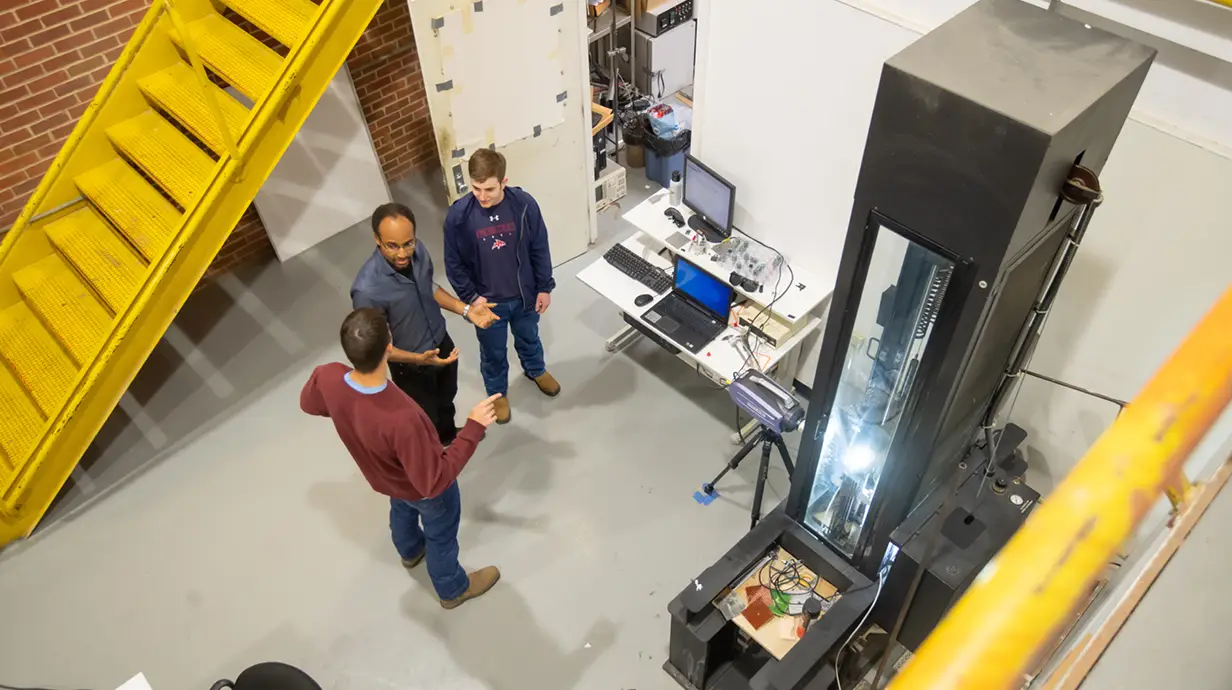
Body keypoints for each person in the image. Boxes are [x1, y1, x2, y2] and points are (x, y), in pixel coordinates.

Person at [300, 307, 502, 609]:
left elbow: (309, 403)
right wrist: (472, 428)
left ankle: (409, 551)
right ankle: (453, 588)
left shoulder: (329, 376)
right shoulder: (402, 419)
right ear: (389, 347)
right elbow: (433, 481)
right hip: (423, 489)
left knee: (402, 509)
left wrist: (346, 410)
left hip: (385, 478)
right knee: (441, 535)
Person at [352, 202, 498, 446]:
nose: (402, 254)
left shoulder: (419, 252)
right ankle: (435, 459)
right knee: (422, 418)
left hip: (441, 343)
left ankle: (448, 436)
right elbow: (378, 348)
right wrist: (419, 360)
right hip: (411, 366)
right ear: (377, 239)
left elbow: (428, 287)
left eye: (408, 243)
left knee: (446, 399)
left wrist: (467, 310)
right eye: (392, 246)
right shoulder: (367, 290)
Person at [443, 148, 559, 425]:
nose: (482, 196)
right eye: (476, 188)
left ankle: (535, 369)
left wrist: (544, 287)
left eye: (490, 189)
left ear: (504, 182)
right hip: (488, 305)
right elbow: (453, 263)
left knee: (529, 337)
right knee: (493, 352)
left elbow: (539, 247)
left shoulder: (524, 205)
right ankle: (497, 393)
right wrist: (472, 299)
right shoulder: (459, 216)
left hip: (524, 297)